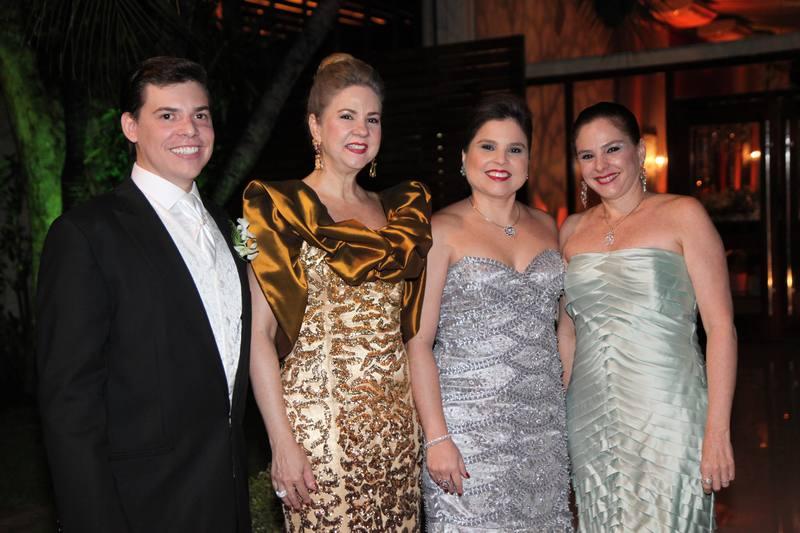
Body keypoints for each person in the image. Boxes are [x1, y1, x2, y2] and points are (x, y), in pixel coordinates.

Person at [36, 57, 252, 532]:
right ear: (130, 127)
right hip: (142, 504)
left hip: (225, 497)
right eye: (167, 115)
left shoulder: (226, 226)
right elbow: (69, 402)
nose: (189, 130)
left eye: (200, 114)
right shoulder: (87, 234)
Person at [243, 53, 431, 531]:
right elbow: (259, 336)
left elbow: (411, 335)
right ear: (315, 125)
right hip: (318, 438)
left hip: (397, 435)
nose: (361, 130)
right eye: (346, 116)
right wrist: (281, 442)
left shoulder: (399, 213)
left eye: (372, 118)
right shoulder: (280, 209)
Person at [559, 101, 737, 532]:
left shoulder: (683, 214)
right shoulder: (570, 231)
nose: (601, 165)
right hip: (589, 417)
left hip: (668, 412)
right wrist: (560, 416)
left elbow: (721, 329)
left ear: (639, 151)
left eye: (612, 149)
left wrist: (717, 431)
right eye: (587, 155)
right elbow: (568, 331)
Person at [407, 94, 574, 531]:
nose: (501, 160)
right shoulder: (441, 230)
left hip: (543, 430)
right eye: (488, 146)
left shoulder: (549, 227)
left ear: (529, 162)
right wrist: (437, 438)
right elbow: (419, 343)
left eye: (515, 149)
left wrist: (562, 399)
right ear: (464, 158)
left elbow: (566, 326)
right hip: (467, 433)